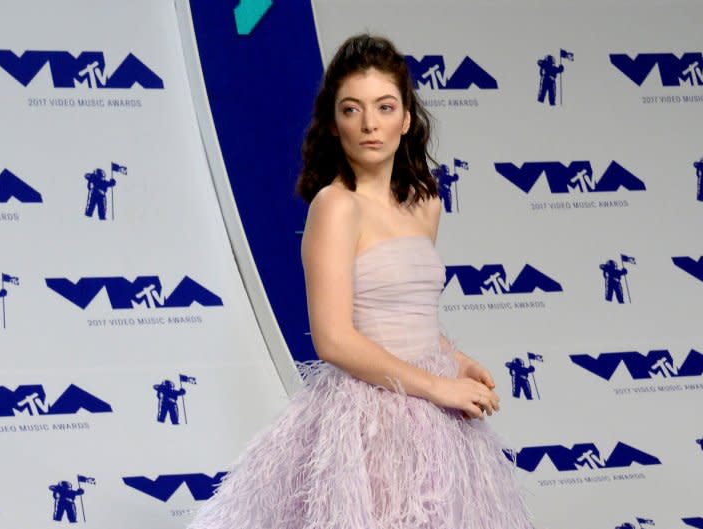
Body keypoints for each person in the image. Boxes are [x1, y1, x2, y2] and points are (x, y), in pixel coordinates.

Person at [187, 34, 532, 528]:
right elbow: (334, 339)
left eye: (384, 107)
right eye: (352, 110)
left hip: (436, 417)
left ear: (406, 118)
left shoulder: (427, 203)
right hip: (369, 422)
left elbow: (406, 315)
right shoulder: (335, 206)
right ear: (334, 123)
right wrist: (437, 386)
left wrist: (457, 361)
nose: (370, 124)